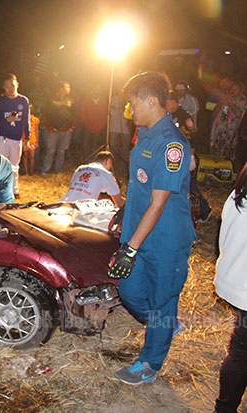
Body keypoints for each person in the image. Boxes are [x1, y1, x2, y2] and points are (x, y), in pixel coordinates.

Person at [109, 71, 196, 386]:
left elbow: (158, 203)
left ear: (150, 101)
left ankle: (149, 363)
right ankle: (164, 325)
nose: (129, 111)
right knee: (130, 291)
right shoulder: (145, 136)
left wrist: (130, 248)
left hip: (164, 241)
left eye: (133, 104)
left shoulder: (171, 144)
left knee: (161, 302)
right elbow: (140, 189)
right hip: (138, 232)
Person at [214, 162, 247, 412]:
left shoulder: (238, 193)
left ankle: (224, 408)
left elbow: (223, 237)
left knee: (240, 350)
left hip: (238, 282)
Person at [166, 92, 212, 223]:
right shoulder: (168, 116)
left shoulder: (184, 117)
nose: (165, 105)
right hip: (174, 155)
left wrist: (192, 157)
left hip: (185, 155)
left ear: (174, 102)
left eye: (167, 103)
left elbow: (192, 137)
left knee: (190, 185)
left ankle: (204, 210)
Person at [0, 73, 30, 198]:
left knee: (14, 164)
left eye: (12, 85)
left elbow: (26, 120)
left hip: (17, 137)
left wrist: (27, 138)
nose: (10, 89)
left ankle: (14, 189)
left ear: (17, 85)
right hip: (2, 136)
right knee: (1, 164)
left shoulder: (23, 101)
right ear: (4, 87)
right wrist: (6, 121)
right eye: (7, 87)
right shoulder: (1, 102)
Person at [42, 81, 76, 174]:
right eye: (67, 87)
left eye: (69, 88)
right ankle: (45, 170)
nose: (68, 89)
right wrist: (49, 127)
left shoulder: (71, 101)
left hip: (66, 131)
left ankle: (58, 170)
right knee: (50, 150)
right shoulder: (52, 100)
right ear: (61, 89)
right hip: (54, 130)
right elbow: (46, 113)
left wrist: (72, 127)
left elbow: (74, 115)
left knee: (61, 151)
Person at [79, 83, 108, 161]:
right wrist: (87, 124)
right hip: (88, 127)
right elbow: (83, 114)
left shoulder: (103, 101)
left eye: (99, 89)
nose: (97, 91)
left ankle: (94, 160)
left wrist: (102, 125)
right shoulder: (86, 101)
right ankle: (86, 160)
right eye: (96, 89)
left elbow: (105, 115)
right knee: (86, 144)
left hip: (98, 127)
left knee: (95, 145)